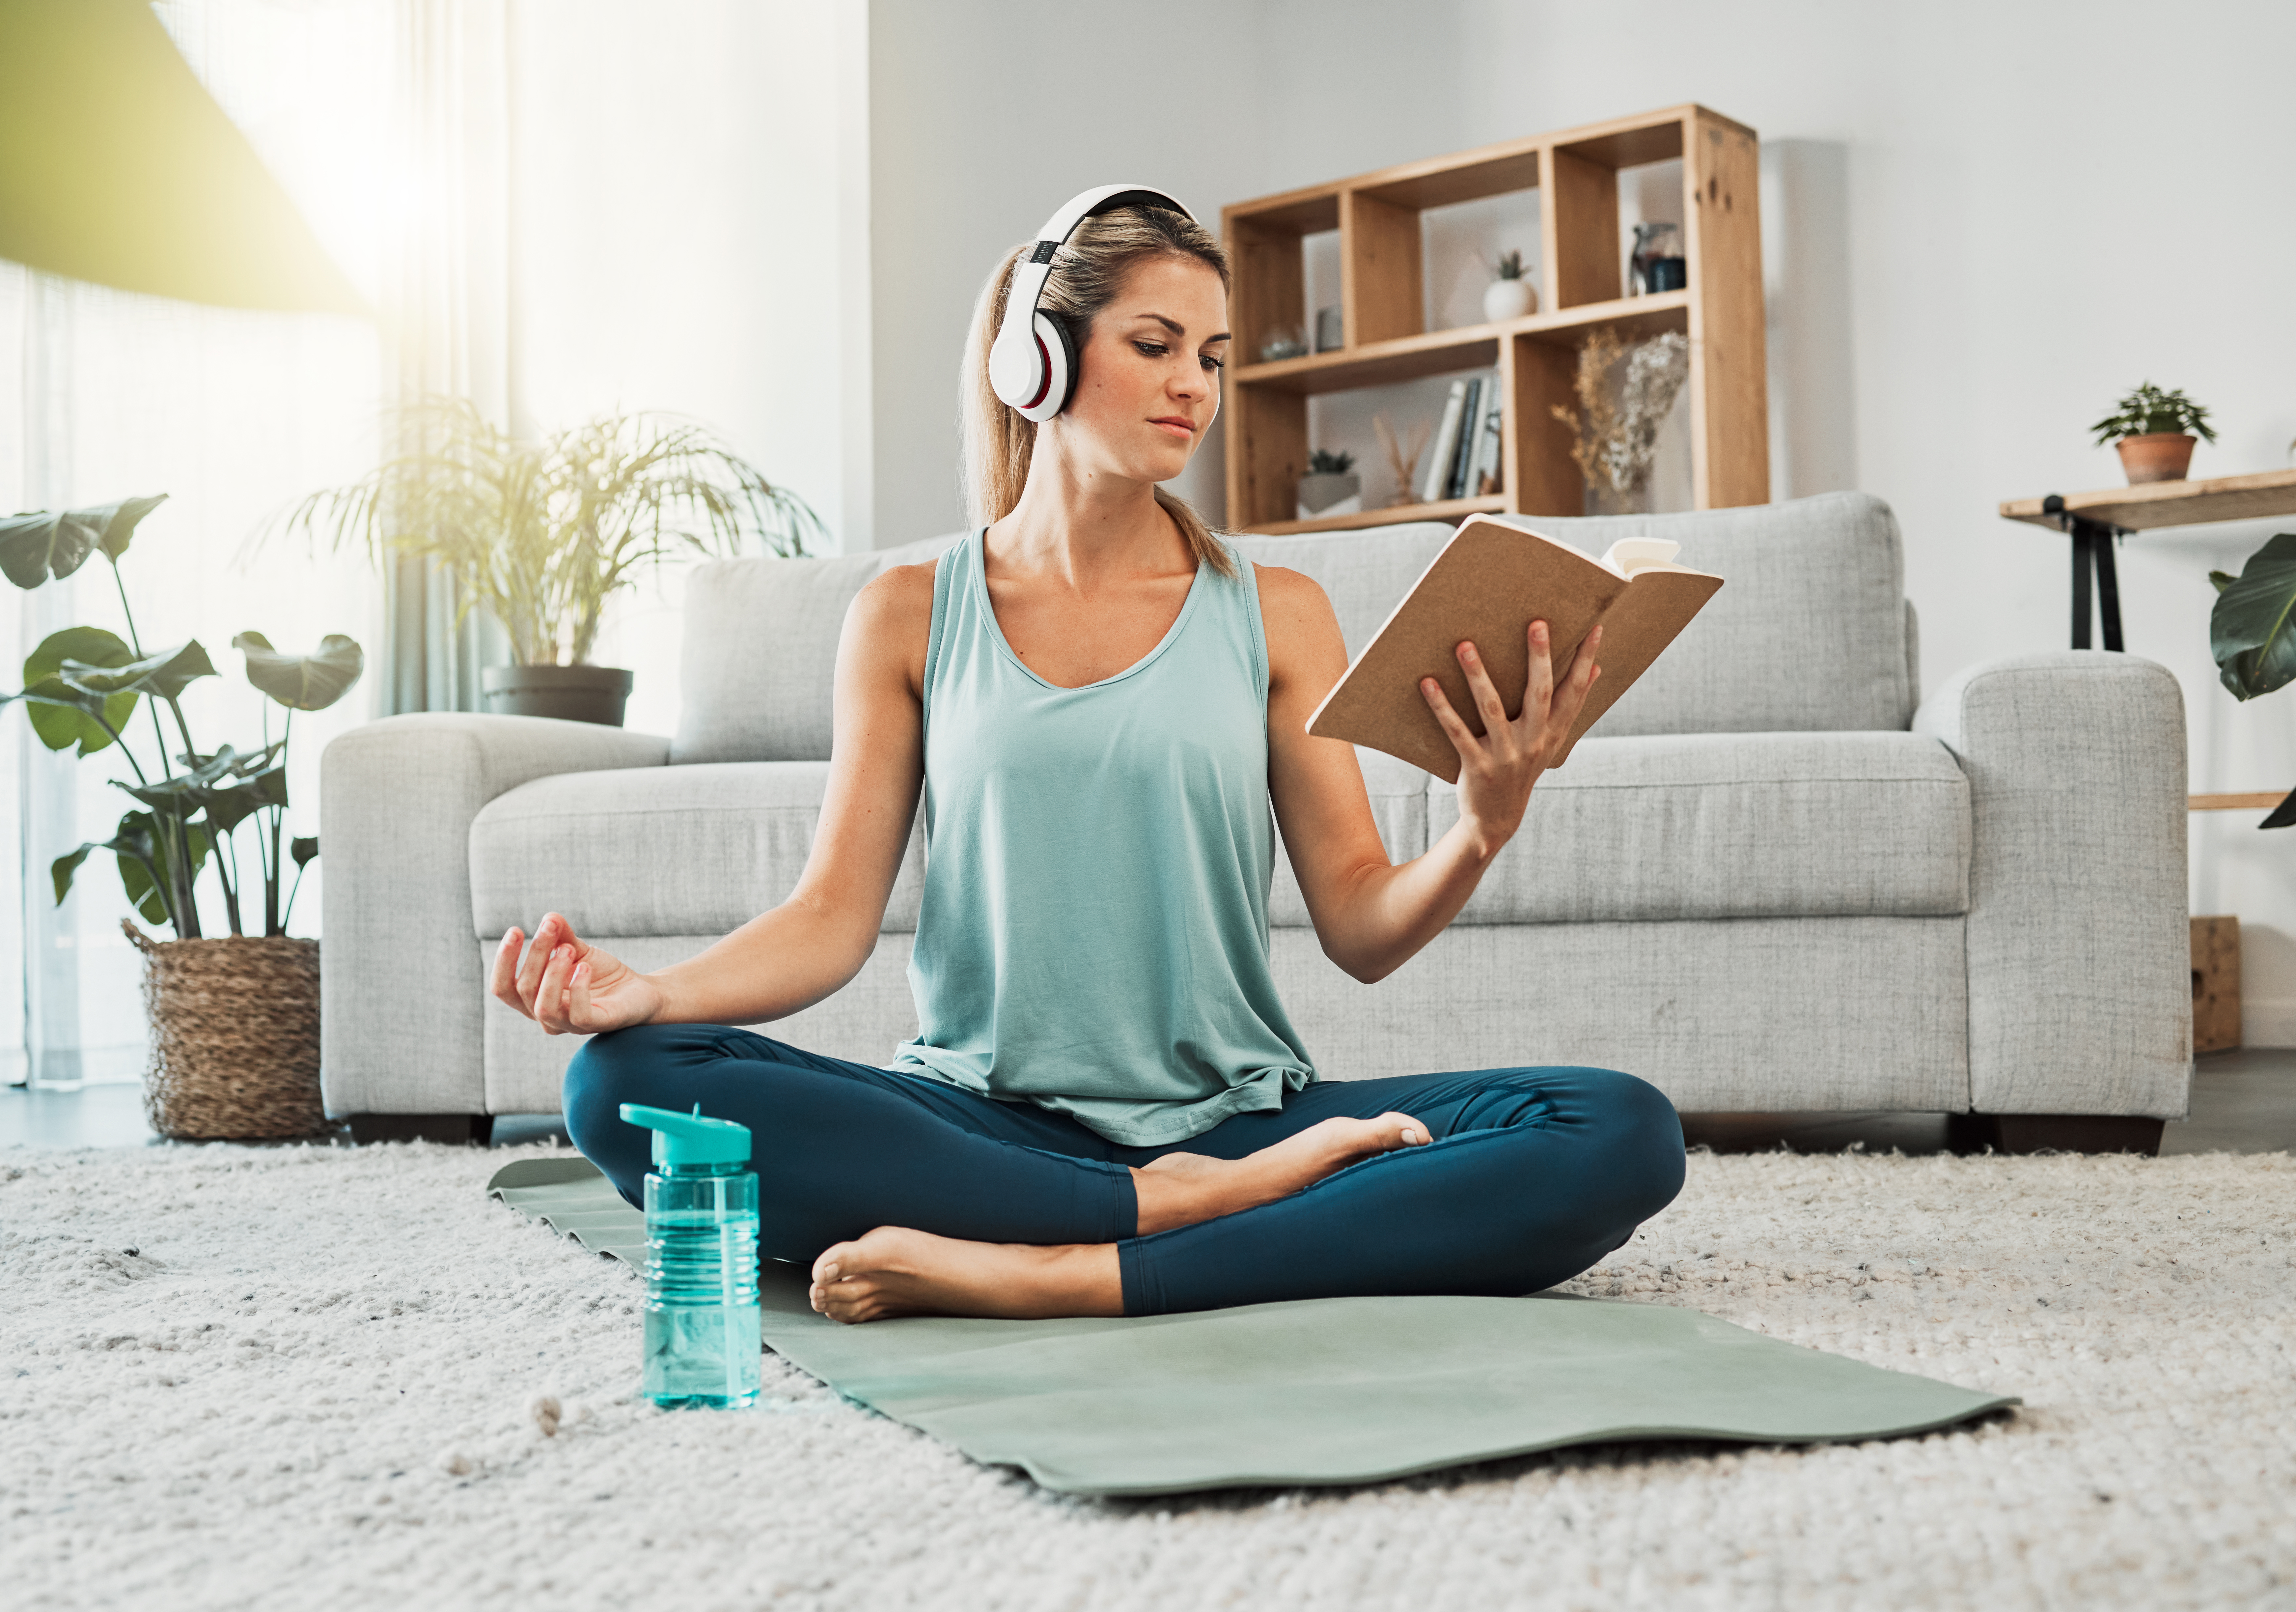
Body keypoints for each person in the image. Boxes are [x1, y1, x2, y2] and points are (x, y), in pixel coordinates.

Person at [490, 191, 1684, 1324]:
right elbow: (829, 917)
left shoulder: (1279, 610)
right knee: (616, 1086)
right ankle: (1157, 1218)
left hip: (1240, 1124)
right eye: (1157, 344)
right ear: (1039, 362)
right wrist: (654, 994)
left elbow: (1365, 930)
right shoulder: (906, 611)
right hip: (975, 1128)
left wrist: (1484, 822)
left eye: (1211, 356)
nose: (1195, 388)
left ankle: (1068, 1273)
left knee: (1618, 1130)